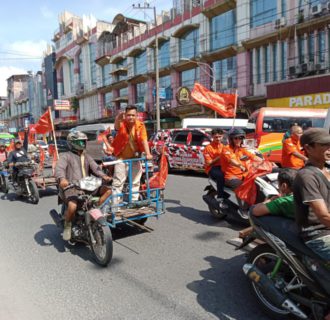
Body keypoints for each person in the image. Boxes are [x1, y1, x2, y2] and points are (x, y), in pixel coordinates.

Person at [55, 131, 112, 241]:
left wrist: (105, 176)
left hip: (87, 185)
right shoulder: (65, 156)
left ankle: (94, 209)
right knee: (72, 206)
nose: (83, 144)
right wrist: (62, 179)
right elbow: (59, 169)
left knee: (108, 190)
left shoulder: (87, 156)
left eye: (84, 142)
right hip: (71, 187)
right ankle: (67, 225)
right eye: (80, 142)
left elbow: (96, 168)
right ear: (72, 143)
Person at [293, 128, 330, 261]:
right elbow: (323, 216)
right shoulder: (307, 176)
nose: (329, 148)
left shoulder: (327, 169)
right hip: (318, 233)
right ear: (308, 148)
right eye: (324, 145)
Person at [111, 105, 152, 208]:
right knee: (118, 182)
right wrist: (119, 117)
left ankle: (134, 202)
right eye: (128, 115)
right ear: (125, 115)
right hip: (121, 158)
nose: (131, 117)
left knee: (135, 181)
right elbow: (116, 126)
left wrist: (148, 154)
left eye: (133, 115)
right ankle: (116, 205)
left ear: (136, 115)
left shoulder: (140, 125)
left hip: (135, 157)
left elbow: (144, 140)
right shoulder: (122, 123)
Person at [203, 129, 227, 208]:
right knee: (221, 176)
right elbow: (209, 163)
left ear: (222, 136)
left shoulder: (224, 146)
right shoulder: (208, 148)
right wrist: (220, 156)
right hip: (212, 168)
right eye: (216, 137)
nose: (218, 139)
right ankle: (220, 197)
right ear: (212, 137)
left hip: (223, 166)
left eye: (220, 137)